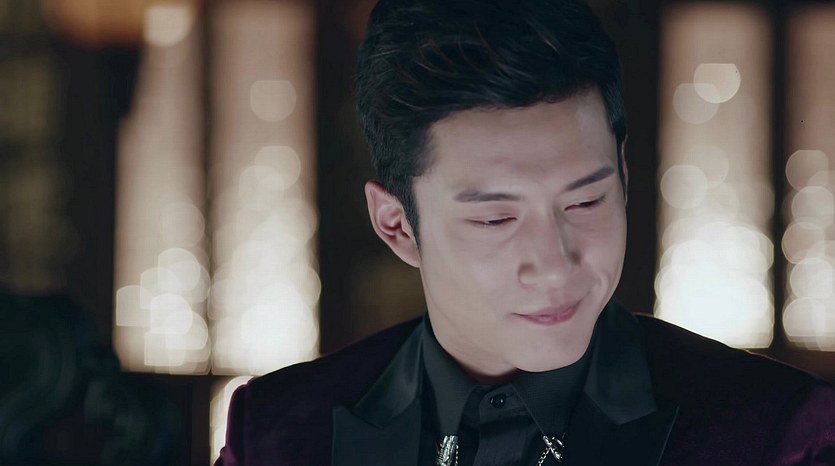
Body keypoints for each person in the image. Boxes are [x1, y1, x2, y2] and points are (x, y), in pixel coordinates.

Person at [214, 0, 835, 464]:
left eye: (586, 200)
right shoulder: (279, 432)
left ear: (623, 176)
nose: (554, 264)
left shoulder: (775, 432)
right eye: (495, 218)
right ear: (397, 225)